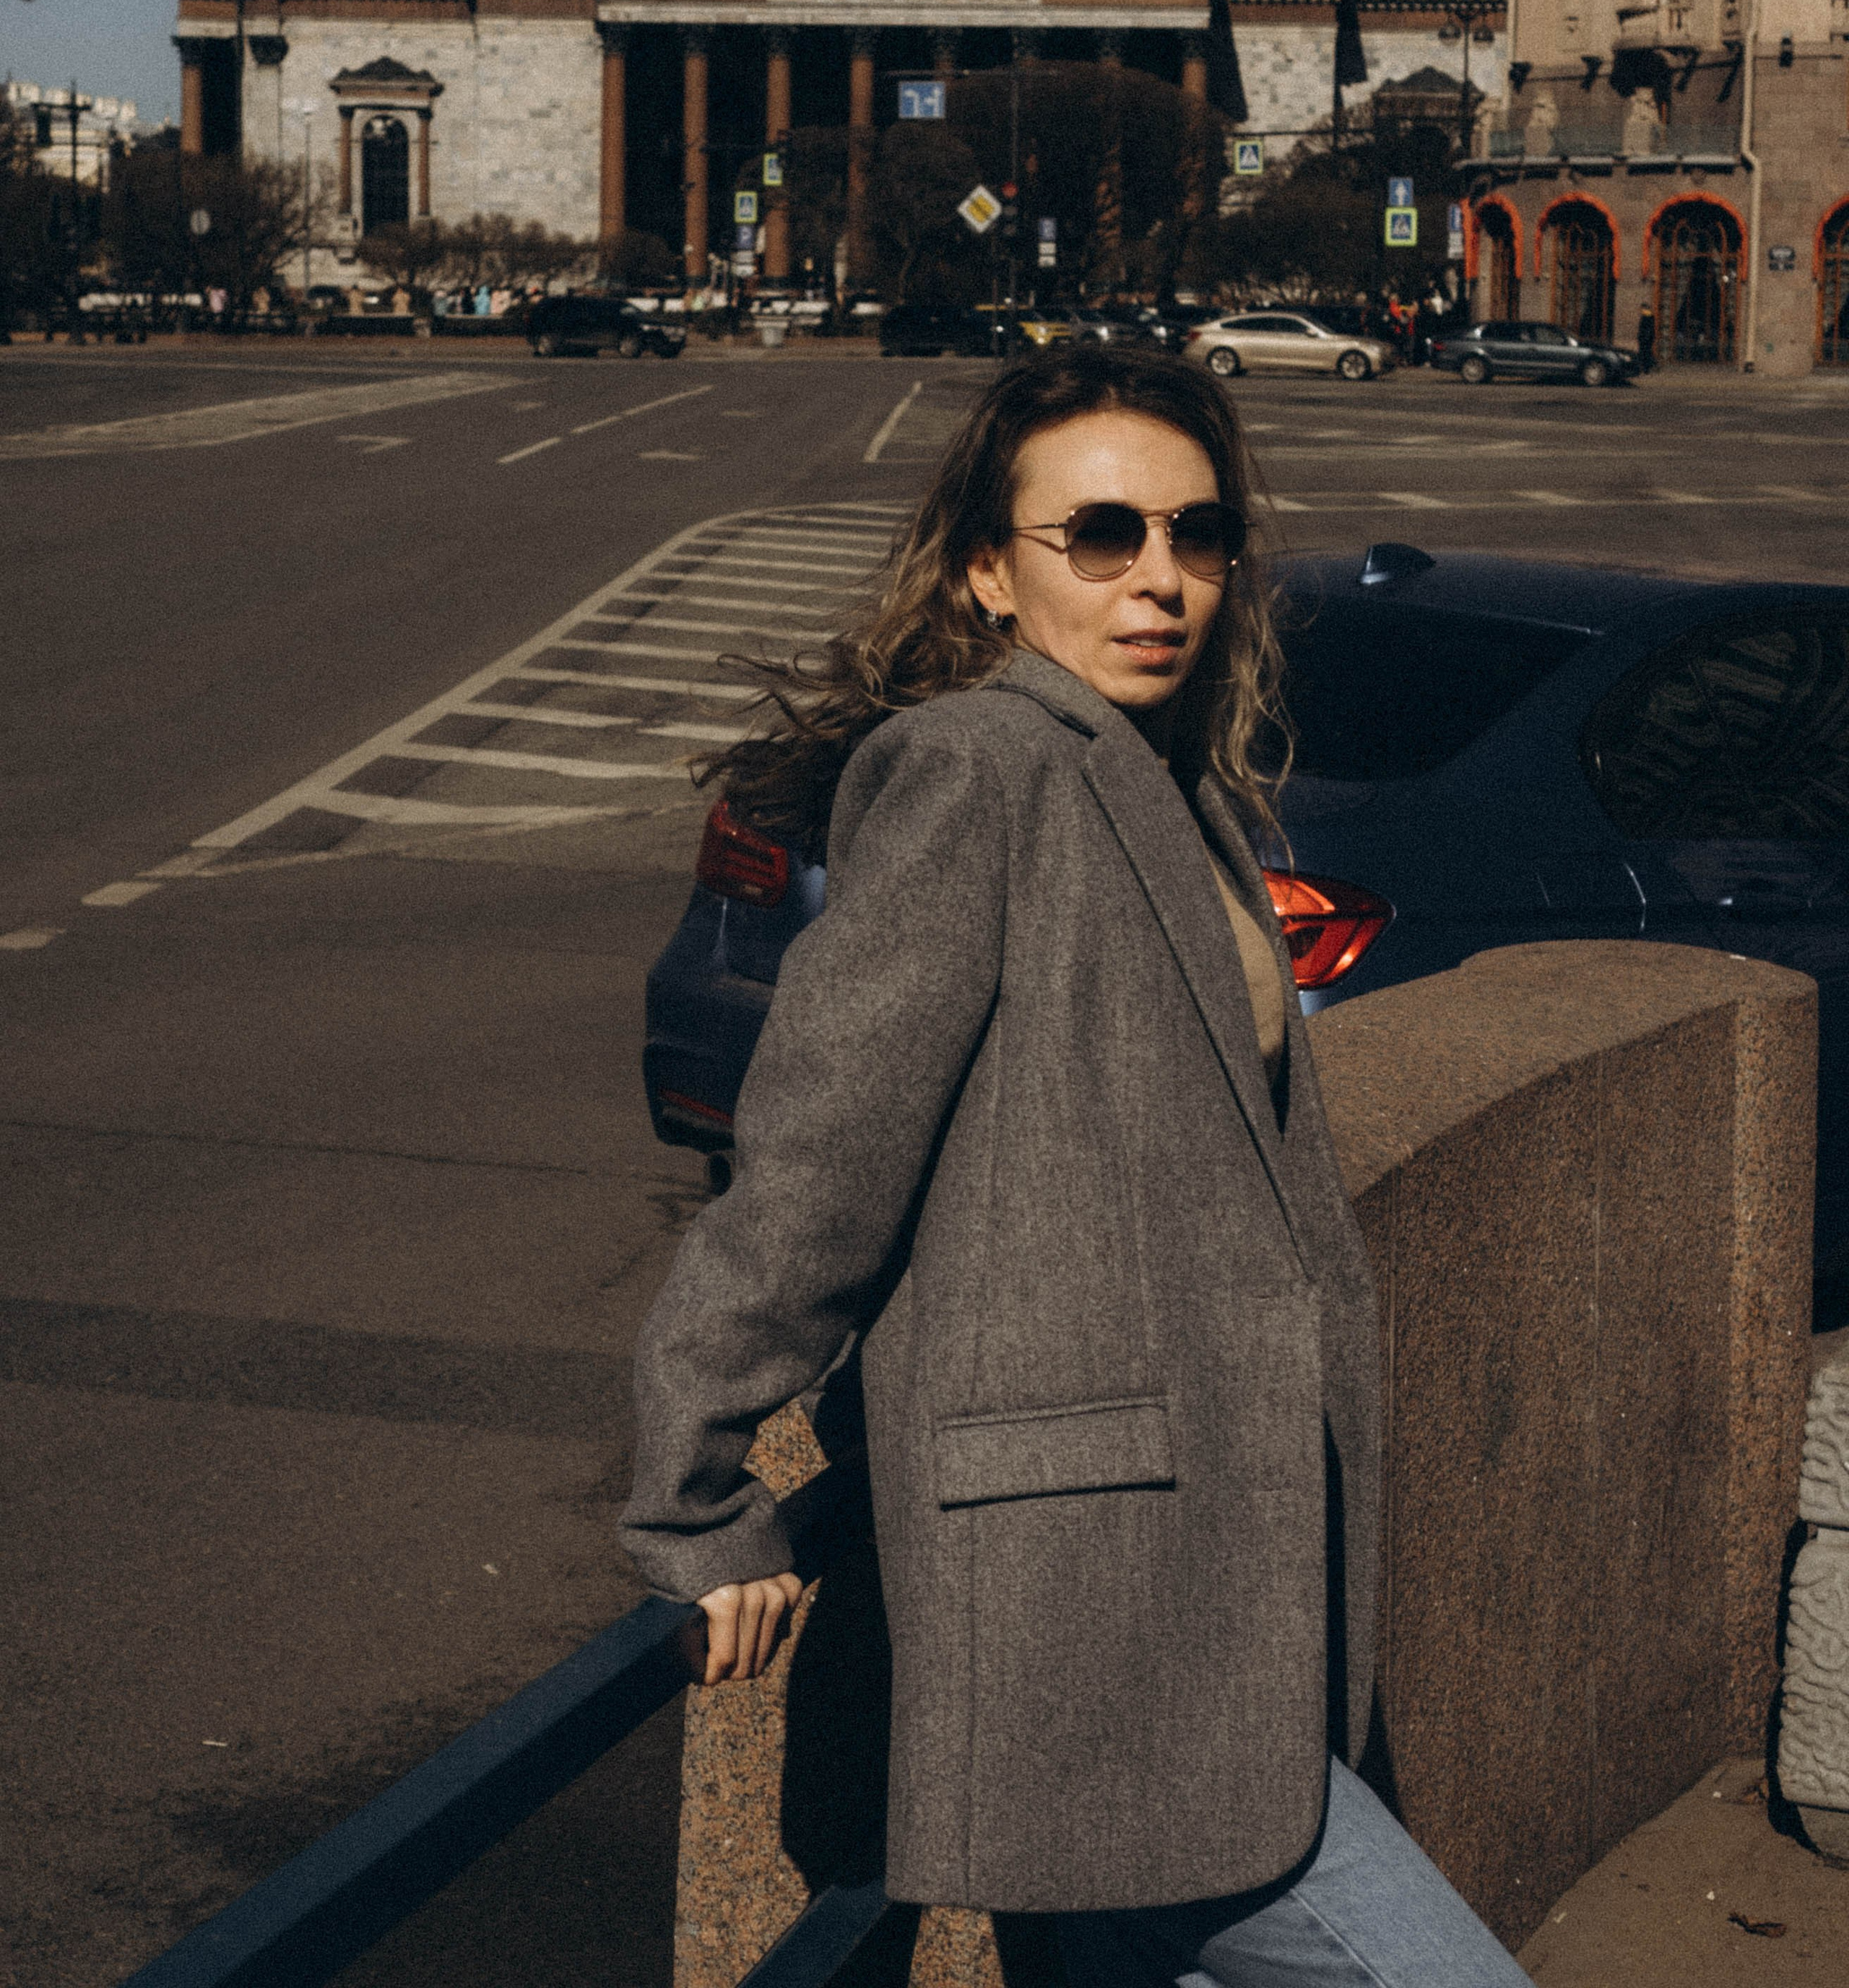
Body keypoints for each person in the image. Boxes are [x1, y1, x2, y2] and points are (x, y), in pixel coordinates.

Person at [620, 351, 1528, 1987]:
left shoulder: (1168, 782)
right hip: (1081, 1592)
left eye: (1195, 533)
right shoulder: (980, 766)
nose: (1159, 578)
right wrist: (694, 1496)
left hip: (1188, 1572)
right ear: (987, 568)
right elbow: (820, 1157)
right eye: (1098, 536)